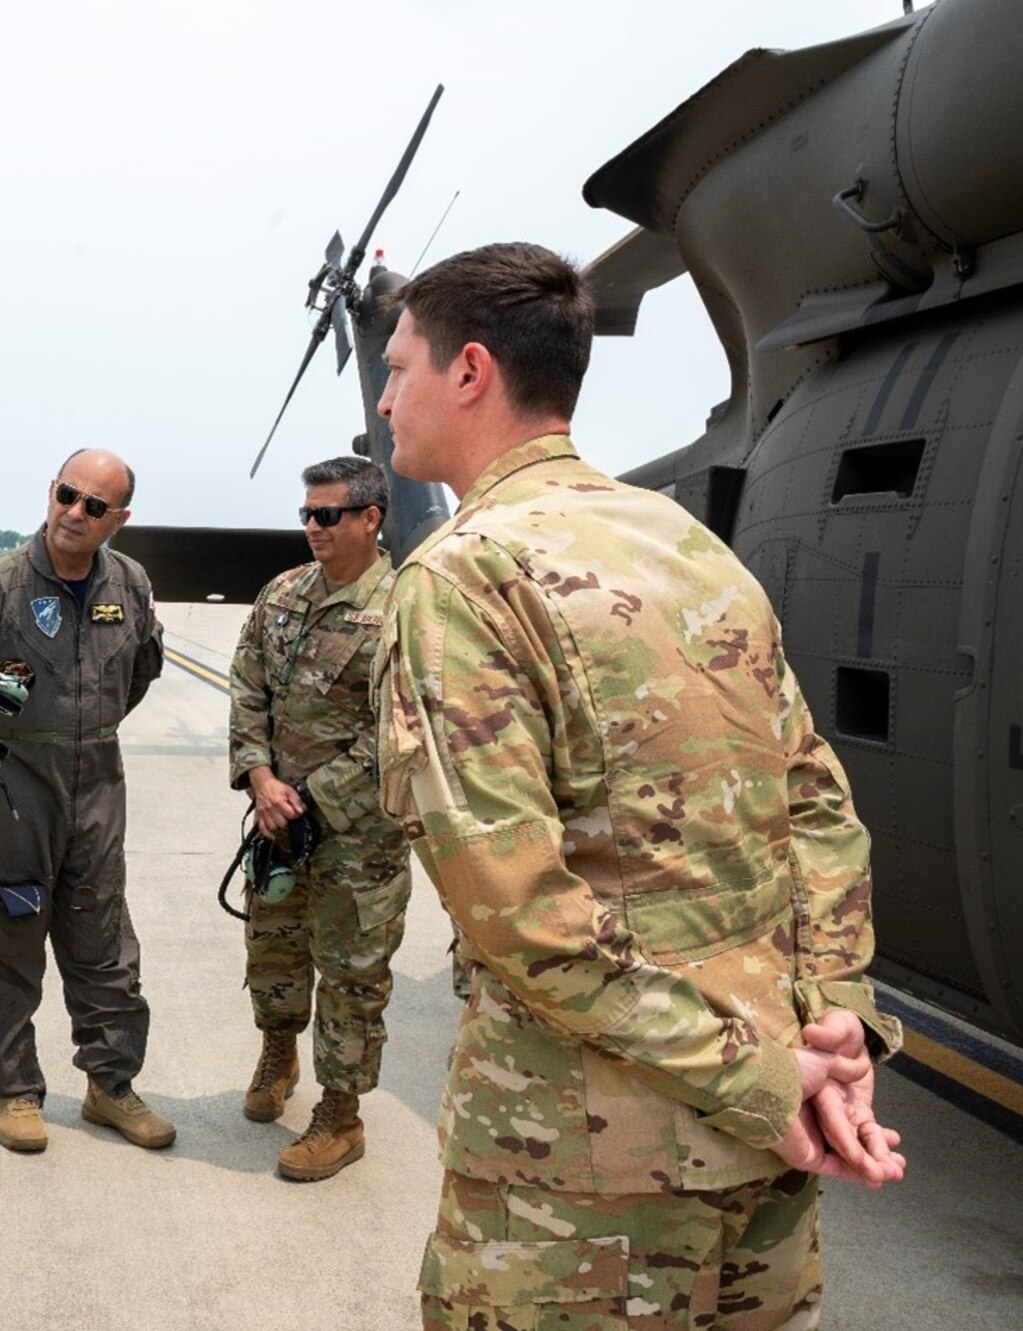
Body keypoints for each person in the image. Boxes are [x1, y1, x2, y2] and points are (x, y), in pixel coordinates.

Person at [373, 242, 906, 1329]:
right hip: (765, 1164)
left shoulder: (460, 575)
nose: (384, 398)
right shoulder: (693, 548)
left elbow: (521, 911)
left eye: (396, 368)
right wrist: (832, 1022)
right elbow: (816, 811)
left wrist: (765, 1075)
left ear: (467, 370)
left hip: (577, 1192)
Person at [0, 449, 169, 1154]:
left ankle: (111, 1084)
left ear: (117, 520)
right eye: (68, 493)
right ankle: (13, 1088)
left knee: (104, 939)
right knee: (8, 932)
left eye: (95, 505)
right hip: (14, 786)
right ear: (51, 491)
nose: (74, 512)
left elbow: (140, 669)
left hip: (98, 779)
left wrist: (85, 733)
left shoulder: (130, 581)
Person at [227, 453, 410, 1181]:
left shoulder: (403, 608)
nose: (311, 526)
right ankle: (278, 1052)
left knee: (351, 974)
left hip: (358, 840)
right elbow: (248, 687)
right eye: (305, 513)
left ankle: (341, 1113)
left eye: (326, 514)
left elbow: (402, 729)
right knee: (272, 947)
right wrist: (262, 781)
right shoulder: (282, 594)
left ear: (370, 518)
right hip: (277, 825)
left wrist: (311, 799)